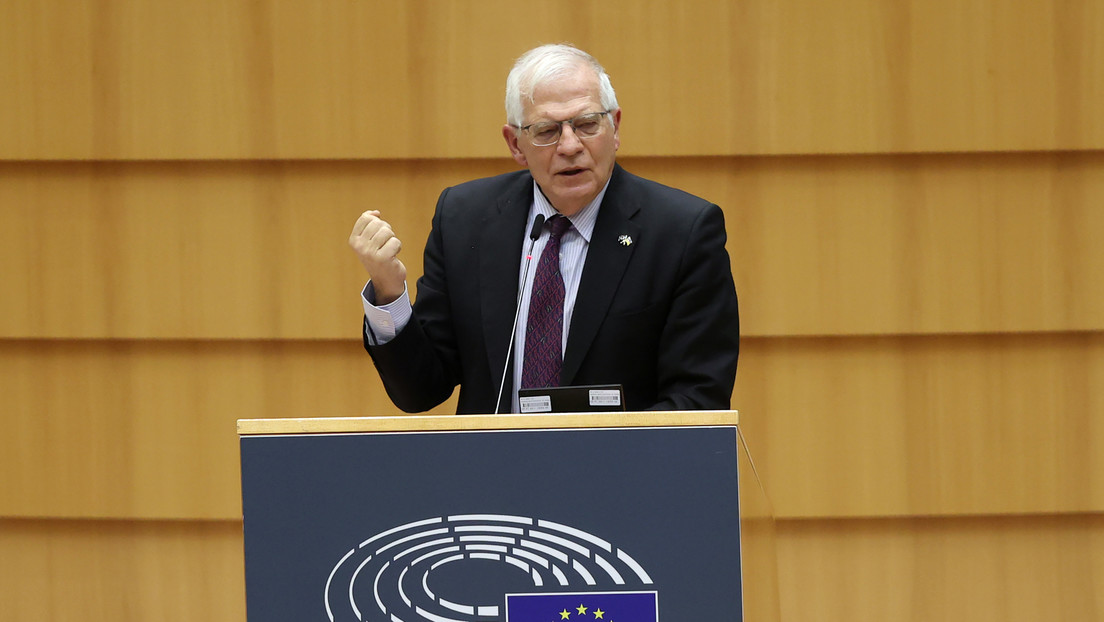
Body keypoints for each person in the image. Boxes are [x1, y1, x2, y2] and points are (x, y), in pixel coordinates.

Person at [349, 43, 739, 414]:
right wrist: (389, 294)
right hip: (495, 462)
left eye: (587, 124)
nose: (570, 146)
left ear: (615, 127)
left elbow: (698, 400)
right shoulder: (465, 220)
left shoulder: (681, 232)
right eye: (546, 131)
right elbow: (420, 390)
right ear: (515, 144)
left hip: (622, 462)